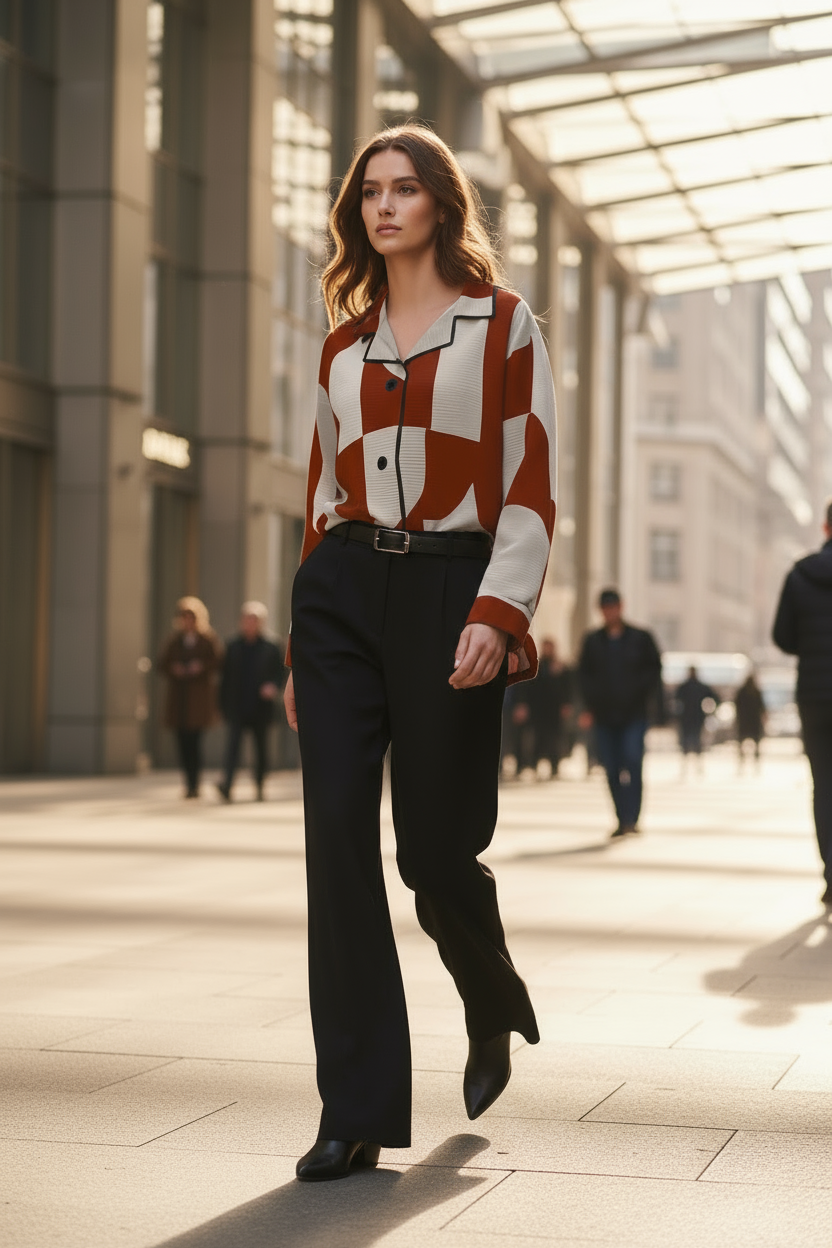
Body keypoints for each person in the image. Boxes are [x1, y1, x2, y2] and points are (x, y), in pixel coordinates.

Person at [283, 124, 556, 1181]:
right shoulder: (341, 347)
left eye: (405, 190)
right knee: (336, 848)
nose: (383, 207)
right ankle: (352, 1112)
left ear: (442, 203)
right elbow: (320, 493)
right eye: (370, 193)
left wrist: (499, 610)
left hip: (452, 586)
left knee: (434, 853)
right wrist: (305, 646)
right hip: (342, 591)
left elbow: (527, 477)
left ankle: (488, 995)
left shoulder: (503, 326)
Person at [773, 500, 832, 903]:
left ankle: (831, 873)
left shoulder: (800, 573)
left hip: (814, 696)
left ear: (826, 527)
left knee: (823, 785)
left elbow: (783, 637)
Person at [577, 588, 662, 838]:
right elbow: (583, 677)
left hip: (634, 714)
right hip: (604, 715)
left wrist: (648, 700)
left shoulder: (641, 638)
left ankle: (632, 819)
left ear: (621, 607)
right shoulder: (592, 641)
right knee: (612, 768)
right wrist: (587, 708)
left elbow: (655, 670)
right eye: (605, 608)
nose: (609, 612)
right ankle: (621, 818)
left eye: (613, 607)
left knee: (632, 761)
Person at [217, 602, 285, 802]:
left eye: (254, 620)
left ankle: (260, 786)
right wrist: (221, 705)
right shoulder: (232, 646)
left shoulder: (272, 647)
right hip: (237, 706)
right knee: (232, 749)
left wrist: (273, 686)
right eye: (247, 619)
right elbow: (224, 678)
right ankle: (227, 786)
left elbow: (280, 674)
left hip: (260, 708)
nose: (249, 624)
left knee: (261, 750)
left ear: (261, 623)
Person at [157, 597, 223, 798]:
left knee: (195, 742)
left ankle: (195, 783)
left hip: (198, 700)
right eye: (183, 617)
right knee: (182, 743)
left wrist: (200, 667)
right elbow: (162, 664)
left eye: (190, 617)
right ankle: (188, 783)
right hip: (179, 700)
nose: (187, 621)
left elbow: (217, 661)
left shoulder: (207, 639)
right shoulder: (174, 639)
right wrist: (174, 668)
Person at [530, 637, 573, 777]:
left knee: (555, 738)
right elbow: (531, 687)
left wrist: (566, 704)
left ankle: (554, 765)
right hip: (539, 708)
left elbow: (567, 688)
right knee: (538, 737)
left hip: (555, 709)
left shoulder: (561, 667)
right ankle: (534, 764)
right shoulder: (538, 665)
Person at [674, 665, 718, 772]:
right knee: (691, 742)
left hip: (690, 718)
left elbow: (675, 701)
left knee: (691, 742)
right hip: (693, 718)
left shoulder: (686, 687)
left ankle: (693, 767)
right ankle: (692, 767)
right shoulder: (695, 687)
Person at [734, 673, 766, 770]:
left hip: (744, 721)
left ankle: (742, 763)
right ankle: (755, 764)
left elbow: (737, 705)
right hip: (753, 721)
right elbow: (762, 707)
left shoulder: (742, 692)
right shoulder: (756, 692)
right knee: (755, 744)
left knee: (742, 743)